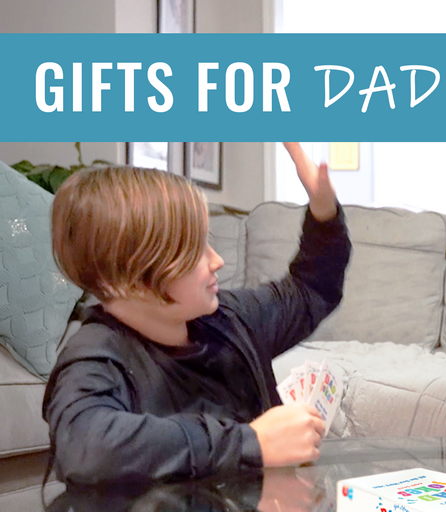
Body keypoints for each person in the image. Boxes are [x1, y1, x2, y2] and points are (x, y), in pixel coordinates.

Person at [41, 142, 351, 484]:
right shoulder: (96, 358)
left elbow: (311, 291)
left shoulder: (230, 320)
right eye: (194, 251)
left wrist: (324, 213)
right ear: (127, 276)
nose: (217, 260)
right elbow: (85, 448)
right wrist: (250, 444)